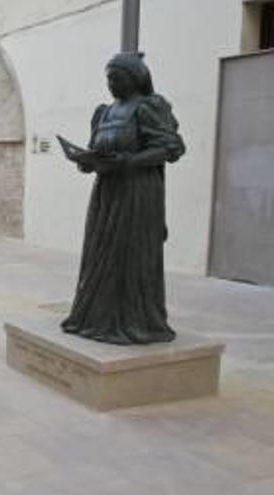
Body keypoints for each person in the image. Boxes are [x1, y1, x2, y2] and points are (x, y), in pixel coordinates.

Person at [61, 52, 186, 345]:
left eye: (116, 77)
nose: (111, 83)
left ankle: (134, 320)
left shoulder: (148, 107)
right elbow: (96, 150)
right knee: (100, 252)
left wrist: (128, 162)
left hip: (137, 194)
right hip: (107, 193)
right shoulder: (104, 112)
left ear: (134, 77)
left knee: (128, 253)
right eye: (108, 78)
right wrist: (86, 161)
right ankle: (96, 317)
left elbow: (170, 149)